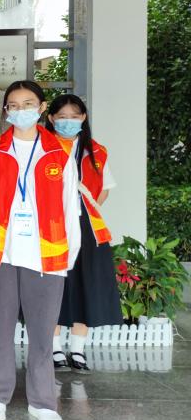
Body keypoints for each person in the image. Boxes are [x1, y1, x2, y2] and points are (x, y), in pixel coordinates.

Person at [0, 80, 81, 420]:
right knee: (0, 326)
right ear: (6, 111)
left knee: (43, 331)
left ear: (42, 108)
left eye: (28, 103)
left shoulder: (59, 151)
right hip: (2, 250)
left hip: (47, 252)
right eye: (14, 105)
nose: (21, 111)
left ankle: (43, 401)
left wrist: (71, 253)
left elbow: (70, 206)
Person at [46, 93, 121, 372]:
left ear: (83, 118)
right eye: (62, 117)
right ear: (51, 118)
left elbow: (105, 189)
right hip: (52, 226)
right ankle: (54, 348)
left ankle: (77, 349)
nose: (68, 121)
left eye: (74, 116)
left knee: (86, 285)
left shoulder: (96, 151)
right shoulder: (42, 146)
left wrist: (85, 210)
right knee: (54, 285)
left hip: (88, 228)